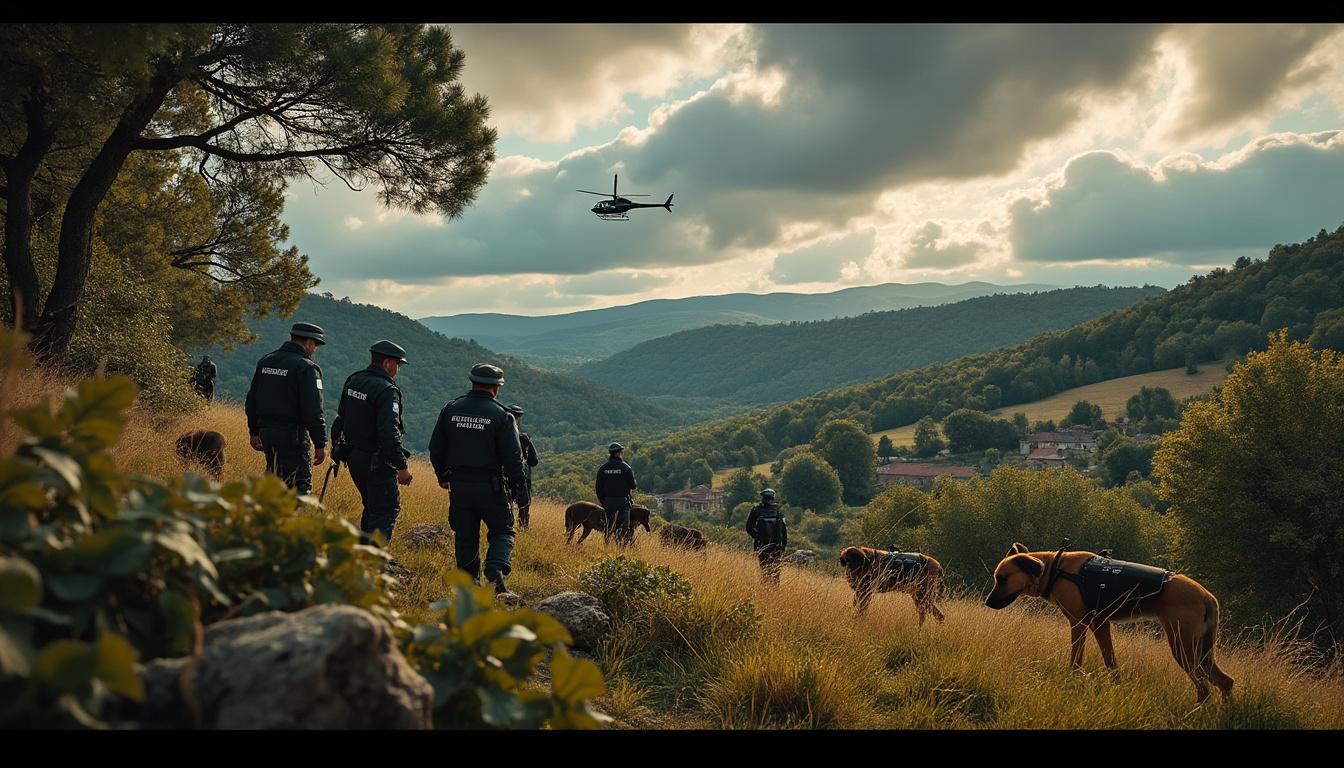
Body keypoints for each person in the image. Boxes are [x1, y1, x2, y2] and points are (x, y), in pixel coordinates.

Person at [428, 363, 529, 596]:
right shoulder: (502, 415)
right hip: (491, 488)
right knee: (503, 531)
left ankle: (467, 588)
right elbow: (514, 459)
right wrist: (520, 489)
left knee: (465, 536)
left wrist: (442, 476)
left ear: (472, 382)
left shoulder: (451, 409)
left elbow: (436, 448)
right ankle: (495, 569)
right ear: (496, 389)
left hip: (460, 486)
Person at [330, 340, 414, 543]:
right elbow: (389, 432)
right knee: (385, 511)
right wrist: (402, 466)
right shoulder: (387, 390)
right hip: (376, 462)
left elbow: (340, 419)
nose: (398, 369)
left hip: (354, 457)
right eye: (397, 364)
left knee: (372, 508)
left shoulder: (354, 380)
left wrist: (336, 449)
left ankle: (362, 557)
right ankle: (373, 564)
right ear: (387, 363)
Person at [244, 322, 327, 494]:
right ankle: (287, 520)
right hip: (292, 436)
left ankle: (265, 518)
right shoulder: (307, 368)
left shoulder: (266, 361)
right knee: (298, 488)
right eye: (315, 346)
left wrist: (254, 431)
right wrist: (320, 443)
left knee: (273, 482)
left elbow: (251, 399)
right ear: (310, 343)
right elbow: (313, 410)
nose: (314, 350)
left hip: (266, 433)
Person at [595, 442, 638, 546]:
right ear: (619, 453)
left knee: (609, 525)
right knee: (624, 526)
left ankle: (607, 545)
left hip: (608, 501)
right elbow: (633, 486)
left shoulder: (603, 468)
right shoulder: (626, 468)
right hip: (622, 501)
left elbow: (598, 488)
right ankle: (620, 546)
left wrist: (603, 501)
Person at [504, 404, 538, 529]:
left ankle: (508, 525)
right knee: (524, 506)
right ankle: (523, 527)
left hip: (504, 476)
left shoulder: (499, 437)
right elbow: (534, 461)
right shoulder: (524, 438)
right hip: (523, 478)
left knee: (507, 504)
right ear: (518, 418)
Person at [746, 488, 788, 586]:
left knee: (764, 570)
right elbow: (784, 532)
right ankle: (774, 592)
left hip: (762, 547)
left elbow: (748, 528)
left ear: (762, 499)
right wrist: (783, 548)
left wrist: (757, 537)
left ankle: (766, 590)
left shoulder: (756, 511)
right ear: (772, 499)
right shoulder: (778, 512)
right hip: (776, 548)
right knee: (776, 574)